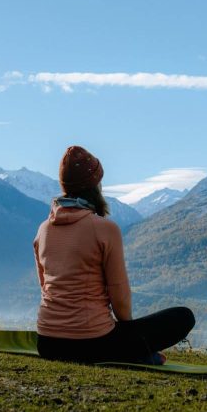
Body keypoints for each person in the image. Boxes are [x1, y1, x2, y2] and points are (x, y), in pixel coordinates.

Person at [33, 145, 195, 364]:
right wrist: (132, 339)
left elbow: (44, 286)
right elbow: (120, 299)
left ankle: (132, 353)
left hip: (47, 343)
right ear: (95, 186)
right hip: (92, 343)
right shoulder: (104, 229)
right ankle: (133, 355)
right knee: (183, 317)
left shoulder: (43, 229)